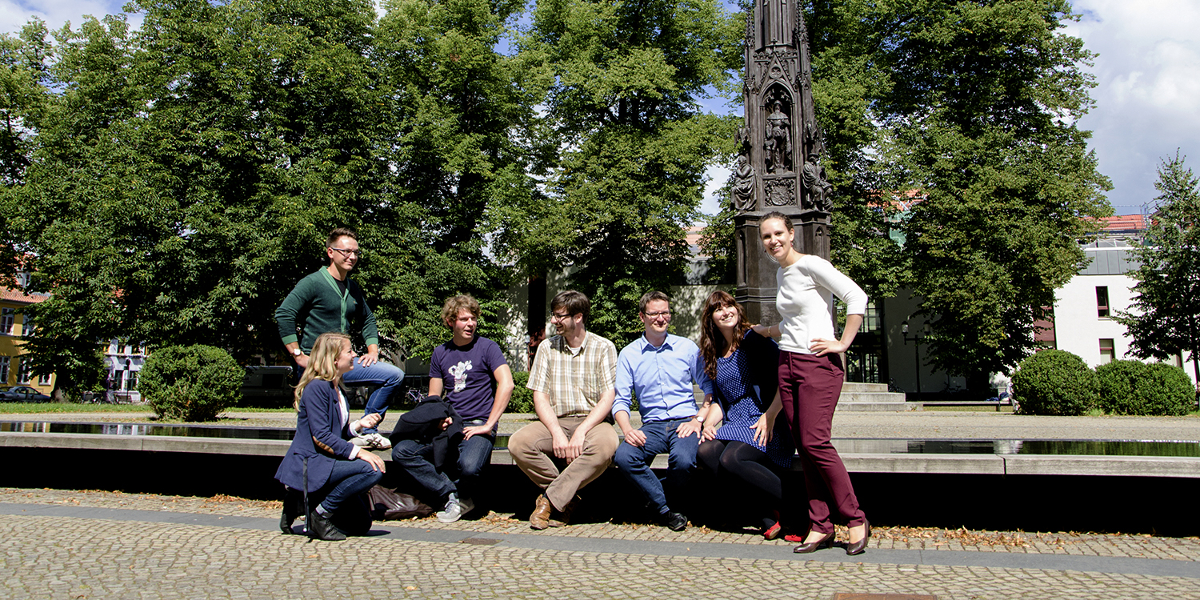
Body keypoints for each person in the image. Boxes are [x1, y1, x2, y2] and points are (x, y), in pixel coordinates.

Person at [752, 211, 872, 556]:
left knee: (817, 443)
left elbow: (856, 297)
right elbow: (794, 320)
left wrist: (843, 342)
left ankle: (854, 518)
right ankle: (820, 526)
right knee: (804, 447)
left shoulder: (811, 265)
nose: (773, 241)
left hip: (818, 364)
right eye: (766, 236)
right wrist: (767, 331)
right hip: (787, 363)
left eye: (778, 233)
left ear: (791, 234)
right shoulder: (781, 272)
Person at [276, 227, 404, 450]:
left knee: (393, 375)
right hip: (316, 366)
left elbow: (368, 320)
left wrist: (372, 351)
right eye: (345, 252)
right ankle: (302, 469)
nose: (352, 257)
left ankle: (368, 431)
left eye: (355, 252)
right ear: (330, 252)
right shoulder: (313, 282)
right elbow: (285, 313)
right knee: (315, 425)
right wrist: (297, 354)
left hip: (344, 363)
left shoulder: (353, 287)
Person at [390, 295, 514, 523]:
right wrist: (438, 420)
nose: (471, 323)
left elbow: (506, 384)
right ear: (450, 322)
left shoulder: (487, 347)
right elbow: (434, 397)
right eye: (464, 319)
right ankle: (452, 495)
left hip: (478, 426)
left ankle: (461, 497)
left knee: (468, 466)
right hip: (450, 425)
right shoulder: (441, 353)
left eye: (473, 318)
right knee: (402, 451)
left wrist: (488, 425)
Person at [508, 290, 620, 530]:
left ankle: (549, 500)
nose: (553, 321)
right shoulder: (546, 348)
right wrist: (557, 432)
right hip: (555, 421)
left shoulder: (604, 347)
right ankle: (567, 499)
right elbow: (540, 396)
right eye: (553, 315)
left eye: (559, 316)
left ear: (578, 317)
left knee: (605, 447)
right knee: (518, 444)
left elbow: (607, 397)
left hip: (593, 423)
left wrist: (581, 432)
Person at [611, 291, 713, 531]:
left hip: (684, 422)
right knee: (625, 457)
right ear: (642, 317)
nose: (660, 318)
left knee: (684, 462)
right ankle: (667, 509)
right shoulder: (629, 354)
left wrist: (698, 419)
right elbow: (621, 400)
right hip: (652, 427)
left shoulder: (686, 347)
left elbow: (709, 387)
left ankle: (657, 504)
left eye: (665, 312)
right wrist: (627, 429)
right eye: (654, 313)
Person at [695, 290, 793, 540]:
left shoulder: (754, 339)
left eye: (729, 306)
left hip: (763, 418)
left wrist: (770, 415)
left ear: (738, 310)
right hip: (735, 421)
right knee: (706, 452)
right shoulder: (714, 352)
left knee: (731, 459)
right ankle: (763, 513)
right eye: (718, 309)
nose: (725, 311)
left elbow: (786, 375)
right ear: (711, 318)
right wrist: (708, 423)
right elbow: (720, 401)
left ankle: (796, 509)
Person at [274, 332, 387, 541]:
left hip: (328, 461)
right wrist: (360, 453)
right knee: (372, 469)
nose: (354, 355)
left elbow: (335, 432)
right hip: (312, 462)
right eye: (349, 351)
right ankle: (320, 513)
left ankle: (300, 501)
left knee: (361, 524)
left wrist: (357, 426)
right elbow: (322, 436)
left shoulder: (338, 388)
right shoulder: (317, 387)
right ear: (334, 358)